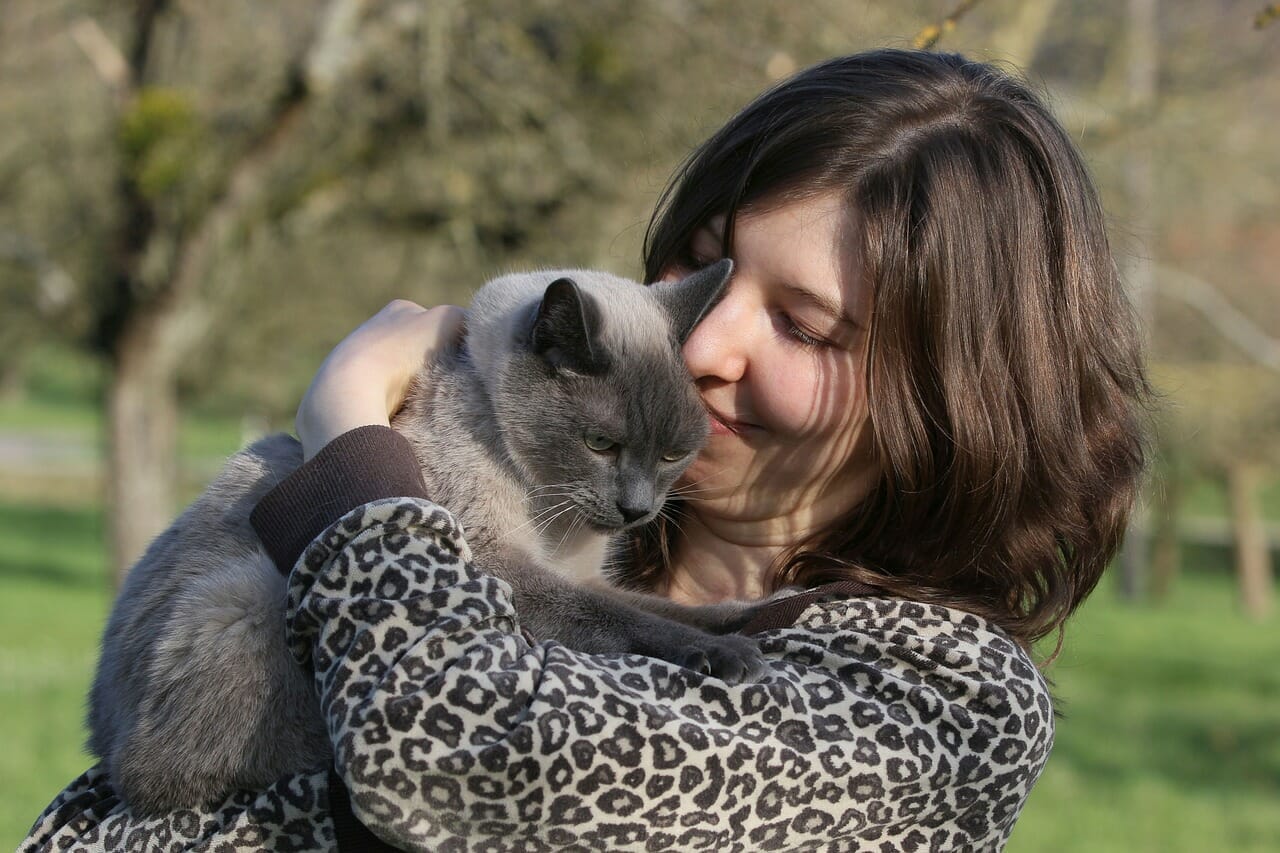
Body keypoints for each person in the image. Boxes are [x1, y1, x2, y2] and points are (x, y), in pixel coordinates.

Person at [22, 49, 1146, 852]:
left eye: (802, 325)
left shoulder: (936, 704)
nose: (703, 341)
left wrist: (356, 448)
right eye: (699, 271)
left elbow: (454, 762)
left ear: (956, 394)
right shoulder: (551, 525)